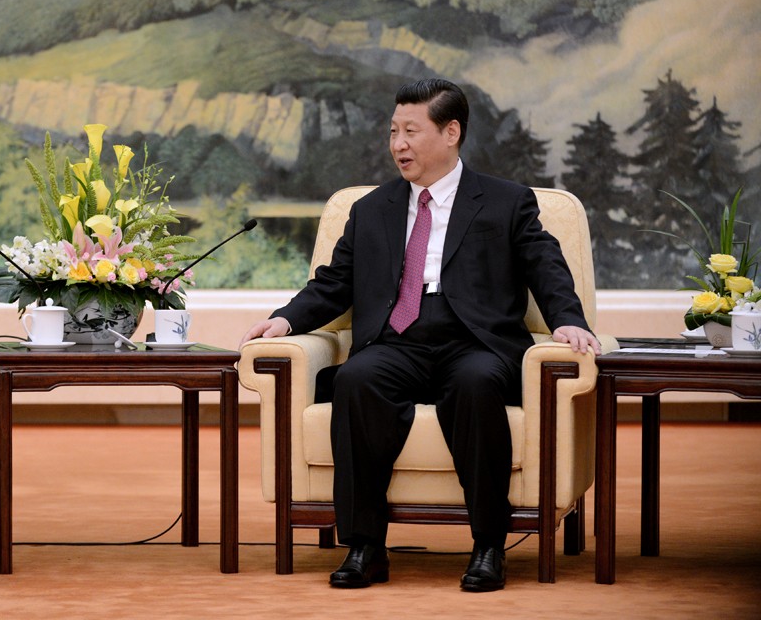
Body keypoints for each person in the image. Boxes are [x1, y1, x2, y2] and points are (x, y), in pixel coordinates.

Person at [241, 78, 600, 592]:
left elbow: (546, 266)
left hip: (474, 342)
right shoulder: (371, 209)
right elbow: (334, 282)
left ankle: (488, 547)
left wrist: (568, 319)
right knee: (356, 380)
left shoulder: (506, 202)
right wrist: (286, 320)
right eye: (393, 131)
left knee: (476, 384)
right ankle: (365, 547)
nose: (398, 144)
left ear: (451, 132)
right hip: (397, 341)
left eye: (411, 131)